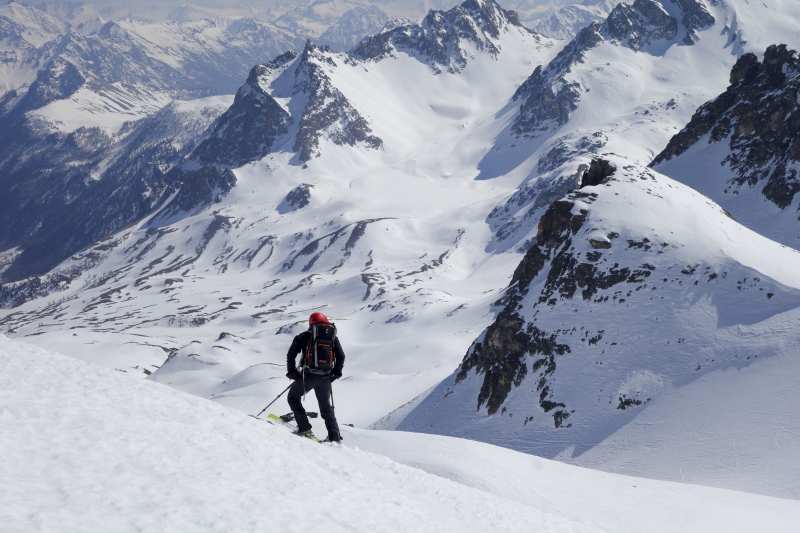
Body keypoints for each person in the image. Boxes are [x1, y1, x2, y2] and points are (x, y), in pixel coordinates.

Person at [286, 312, 345, 442]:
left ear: (311, 323)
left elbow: (291, 355)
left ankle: (304, 428)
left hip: (308, 376)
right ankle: (334, 437)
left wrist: (292, 372)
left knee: (293, 397)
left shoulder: (304, 336)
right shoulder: (332, 337)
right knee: (326, 408)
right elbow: (341, 356)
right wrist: (336, 373)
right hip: (326, 377)